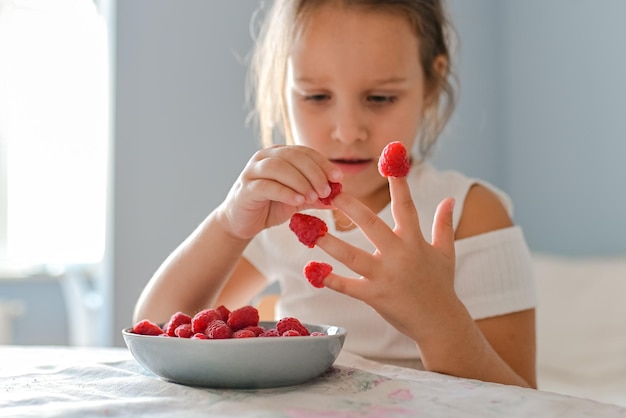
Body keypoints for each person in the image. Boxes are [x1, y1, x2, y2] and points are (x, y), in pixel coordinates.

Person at [134, 0, 537, 388]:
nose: (347, 130)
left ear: (431, 84)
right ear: (282, 86)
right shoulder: (279, 213)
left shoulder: (470, 213)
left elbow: (521, 400)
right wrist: (227, 225)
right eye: (316, 97)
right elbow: (154, 333)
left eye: (380, 98)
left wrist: (436, 318)